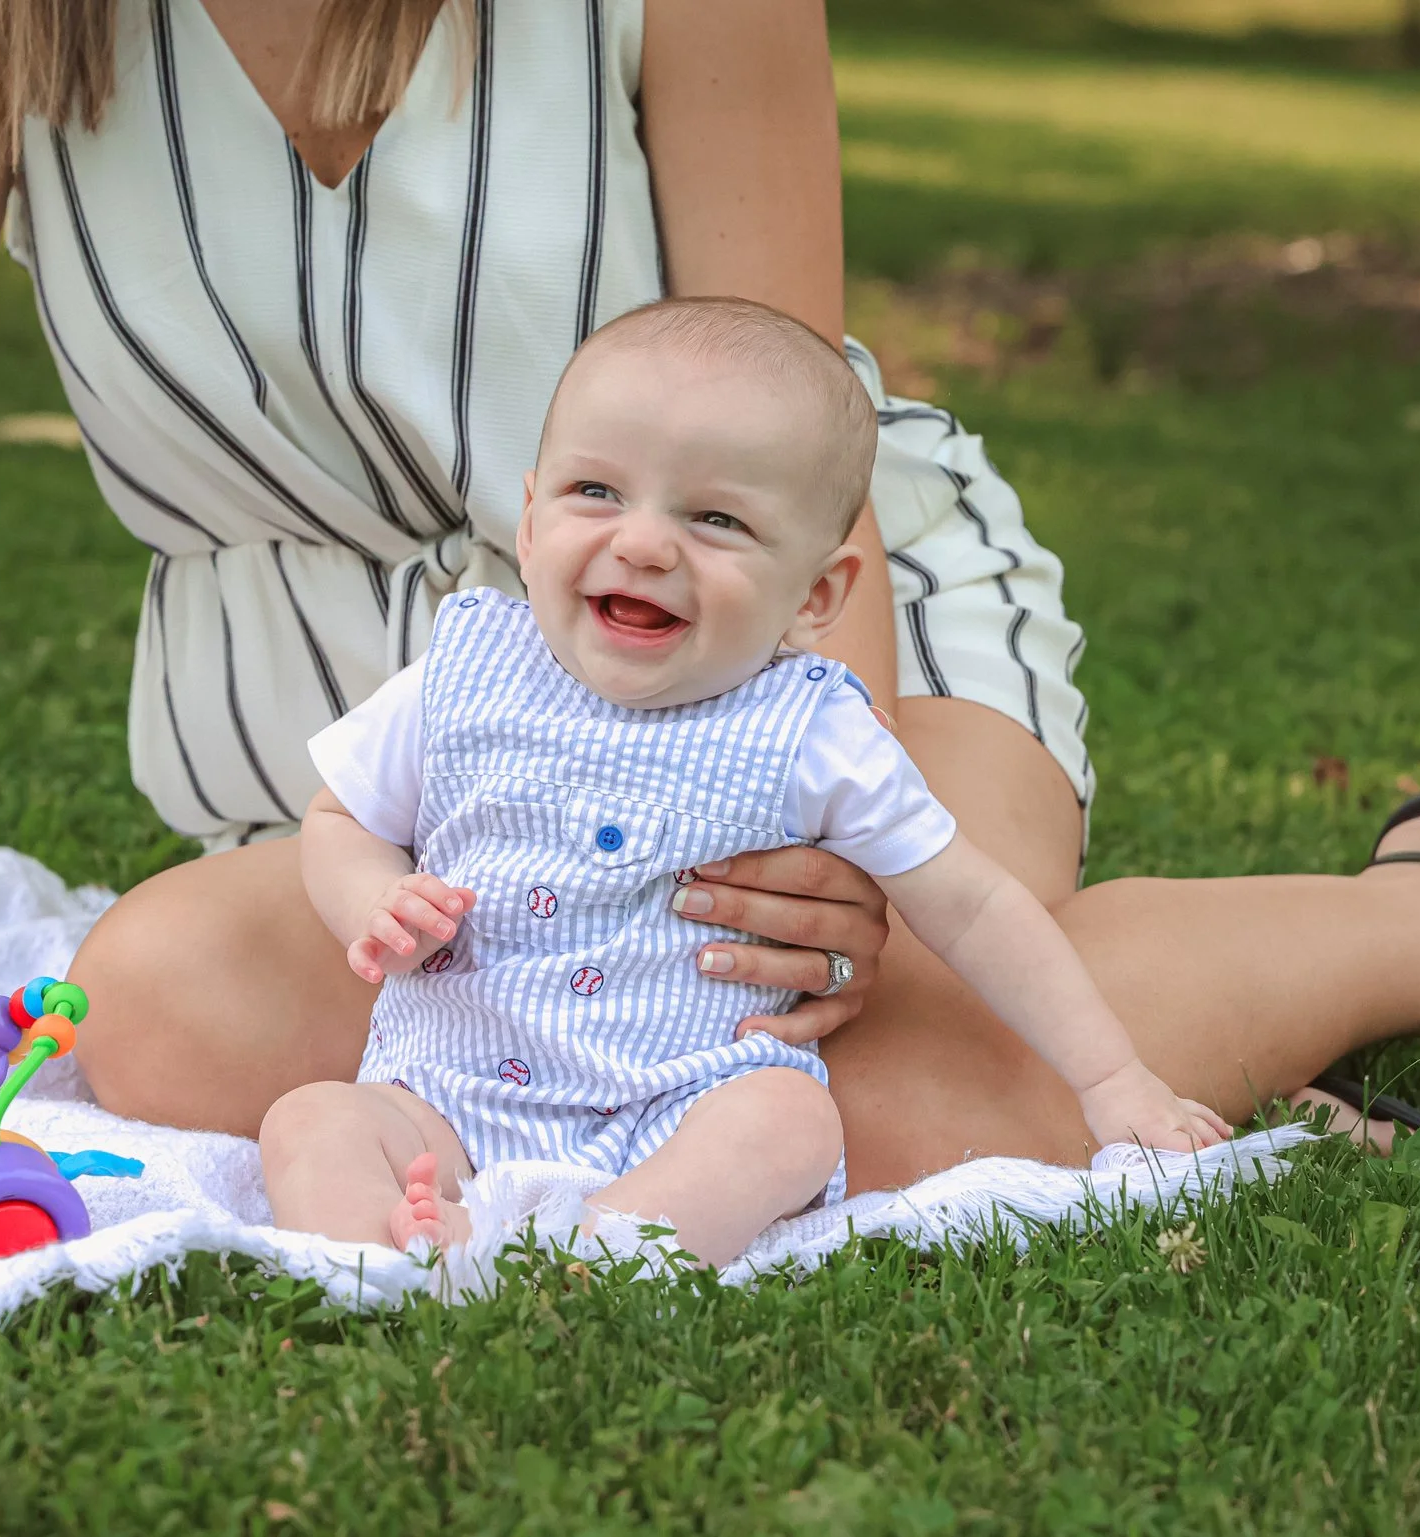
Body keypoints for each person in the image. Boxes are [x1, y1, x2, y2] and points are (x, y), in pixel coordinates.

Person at [0, 0, 1420, 1189]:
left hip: (800, 631)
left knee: (877, 1070)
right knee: (144, 1014)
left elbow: (800, 396)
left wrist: (825, 856)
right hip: (398, 751)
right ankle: (1223, 1009)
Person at [265, 299, 1231, 1262]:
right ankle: (378, 1262)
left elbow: (974, 908)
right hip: (447, 1087)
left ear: (815, 596)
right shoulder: (466, 668)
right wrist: (372, 898)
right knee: (309, 1120)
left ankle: (600, 1250)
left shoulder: (812, 731)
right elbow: (339, 816)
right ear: (527, 524)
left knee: (786, 1124)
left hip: (687, 1102)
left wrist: (1113, 1079)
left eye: (716, 517)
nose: (642, 544)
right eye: (595, 492)